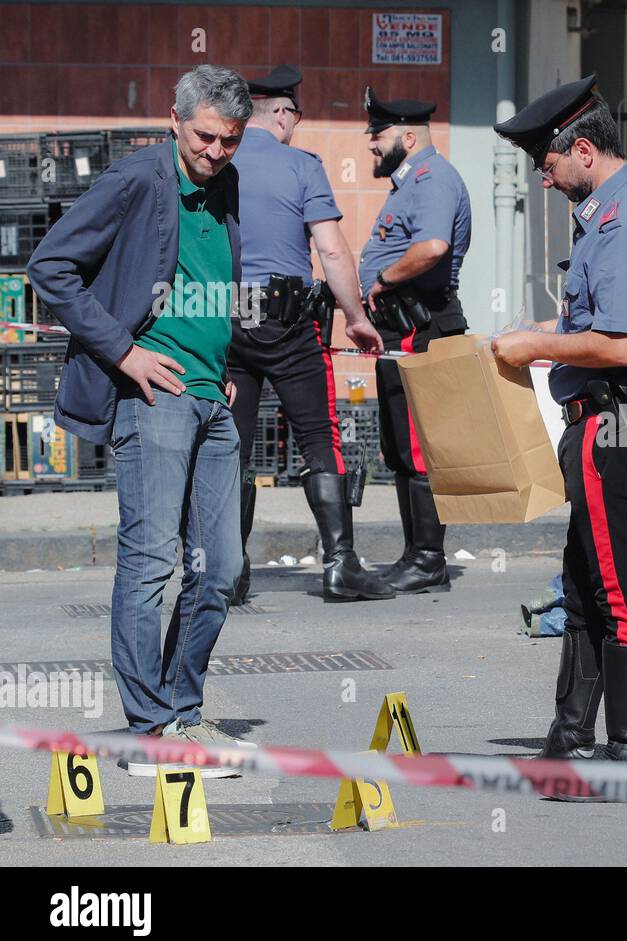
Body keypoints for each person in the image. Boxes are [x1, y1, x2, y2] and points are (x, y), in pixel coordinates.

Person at [26, 66, 257, 774]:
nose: (217, 152)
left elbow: (212, 280)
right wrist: (125, 352)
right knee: (152, 563)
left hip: (211, 398)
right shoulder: (134, 181)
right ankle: (152, 727)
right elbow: (50, 265)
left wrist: (223, 362)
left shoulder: (225, 184)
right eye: (206, 137)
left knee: (222, 567)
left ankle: (183, 711)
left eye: (230, 140)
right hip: (152, 399)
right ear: (175, 120)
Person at [492, 76, 627, 767]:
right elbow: (597, 321)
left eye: (546, 167)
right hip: (621, 421)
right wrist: (539, 329)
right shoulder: (617, 211)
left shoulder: (625, 219)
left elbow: (620, 345)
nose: (544, 182)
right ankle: (571, 734)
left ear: (581, 149)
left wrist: (535, 346)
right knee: (583, 584)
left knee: (620, 590)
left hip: (622, 426)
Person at [227, 65, 393, 604]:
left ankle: (228, 570)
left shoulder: (218, 162)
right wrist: (356, 317)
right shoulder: (301, 166)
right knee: (320, 437)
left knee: (232, 446)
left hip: (225, 319)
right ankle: (341, 565)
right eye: (294, 115)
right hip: (289, 321)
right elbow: (332, 249)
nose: (295, 125)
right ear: (279, 113)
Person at [359, 87, 472, 593]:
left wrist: (381, 282)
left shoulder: (430, 179)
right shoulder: (411, 182)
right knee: (402, 448)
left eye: (378, 135)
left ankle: (428, 559)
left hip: (420, 326)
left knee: (420, 448)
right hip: (405, 327)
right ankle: (418, 555)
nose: (371, 145)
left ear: (408, 136)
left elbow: (431, 246)